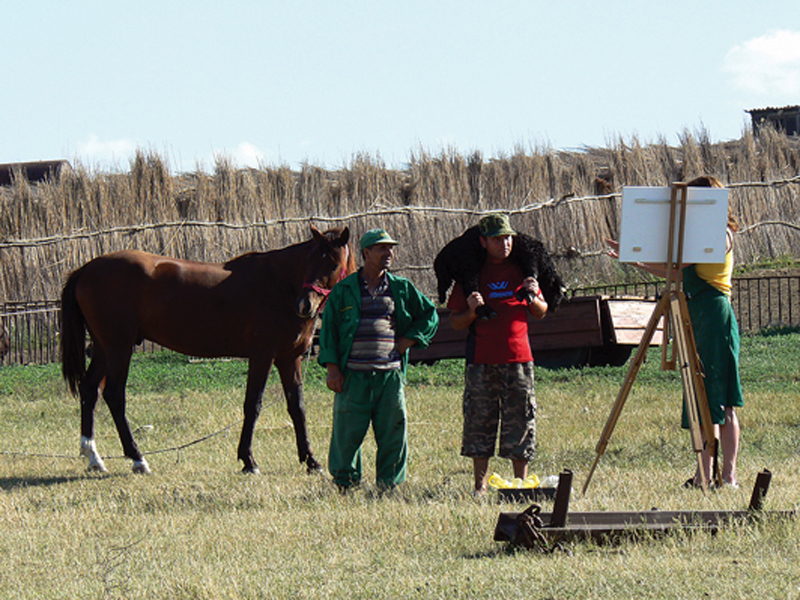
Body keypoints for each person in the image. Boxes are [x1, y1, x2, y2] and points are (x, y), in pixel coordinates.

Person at [606, 175, 742, 488]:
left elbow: (679, 265)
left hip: (714, 315)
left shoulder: (721, 235)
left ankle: (728, 475)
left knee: (720, 397)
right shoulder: (698, 237)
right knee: (698, 395)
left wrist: (637, 252)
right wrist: (635, 259)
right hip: (694, 311)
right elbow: (676, 271)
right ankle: (703, 474)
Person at [318, 228, 439, 492]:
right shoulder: (344, 291)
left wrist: (408, 340)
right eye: (382, 248)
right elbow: (329, 331)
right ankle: (345, 485)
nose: (389, 253)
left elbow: (430, 315)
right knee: (347, 433)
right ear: (366, 253)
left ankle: (389, 486)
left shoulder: (401, 288)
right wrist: (332, 369)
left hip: (389, 376)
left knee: (393, 432)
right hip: (353, 376)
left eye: (391, 248)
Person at [446, 213, 549, 497]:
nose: (504, 244)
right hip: (481, 360)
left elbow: (541, 312)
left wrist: (534, 297)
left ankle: (520, 484)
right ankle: (480, 486)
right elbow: (455, 321)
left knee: (521, 420)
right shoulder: (472, 275)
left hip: (519, 360)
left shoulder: (523, 270)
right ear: (483, 241)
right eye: (497, 239)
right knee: (480, 421)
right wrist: (470, 310)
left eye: (507, 238)